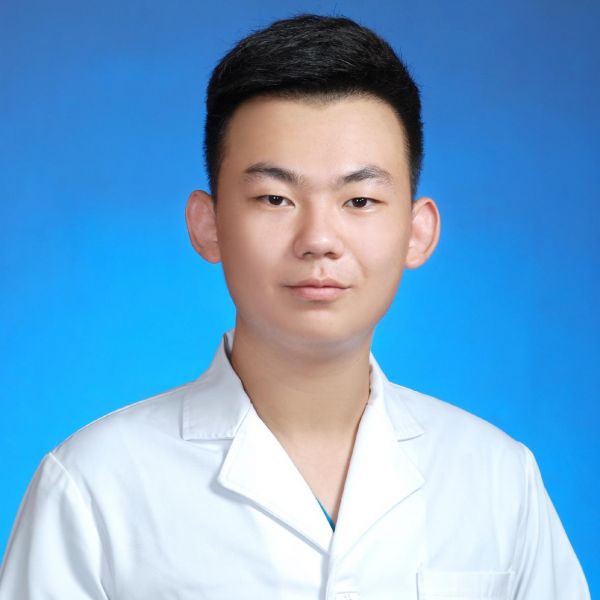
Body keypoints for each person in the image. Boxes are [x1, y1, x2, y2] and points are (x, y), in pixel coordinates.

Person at [0, 13, 590, 600]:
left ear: (417, 232)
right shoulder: (92, 486)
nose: (319, 239)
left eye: (359, 200)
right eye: (275, 198)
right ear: (207, 225)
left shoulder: (497, 479)